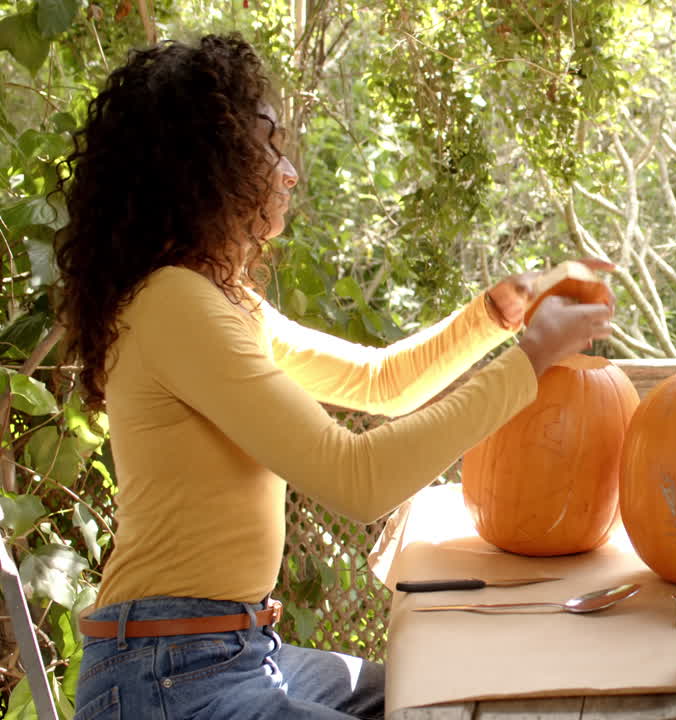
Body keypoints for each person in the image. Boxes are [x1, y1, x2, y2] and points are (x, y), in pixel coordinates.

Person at [55, 34, 612, 720]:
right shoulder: (174, 304)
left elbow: (380, 382)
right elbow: (358, 479)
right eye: (267, 147)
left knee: (439, 694)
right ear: (202, 165)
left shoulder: (221, 301)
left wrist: (494, 316)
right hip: (166, 679)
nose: (288, 171)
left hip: (233, 652)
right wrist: (530, 360)